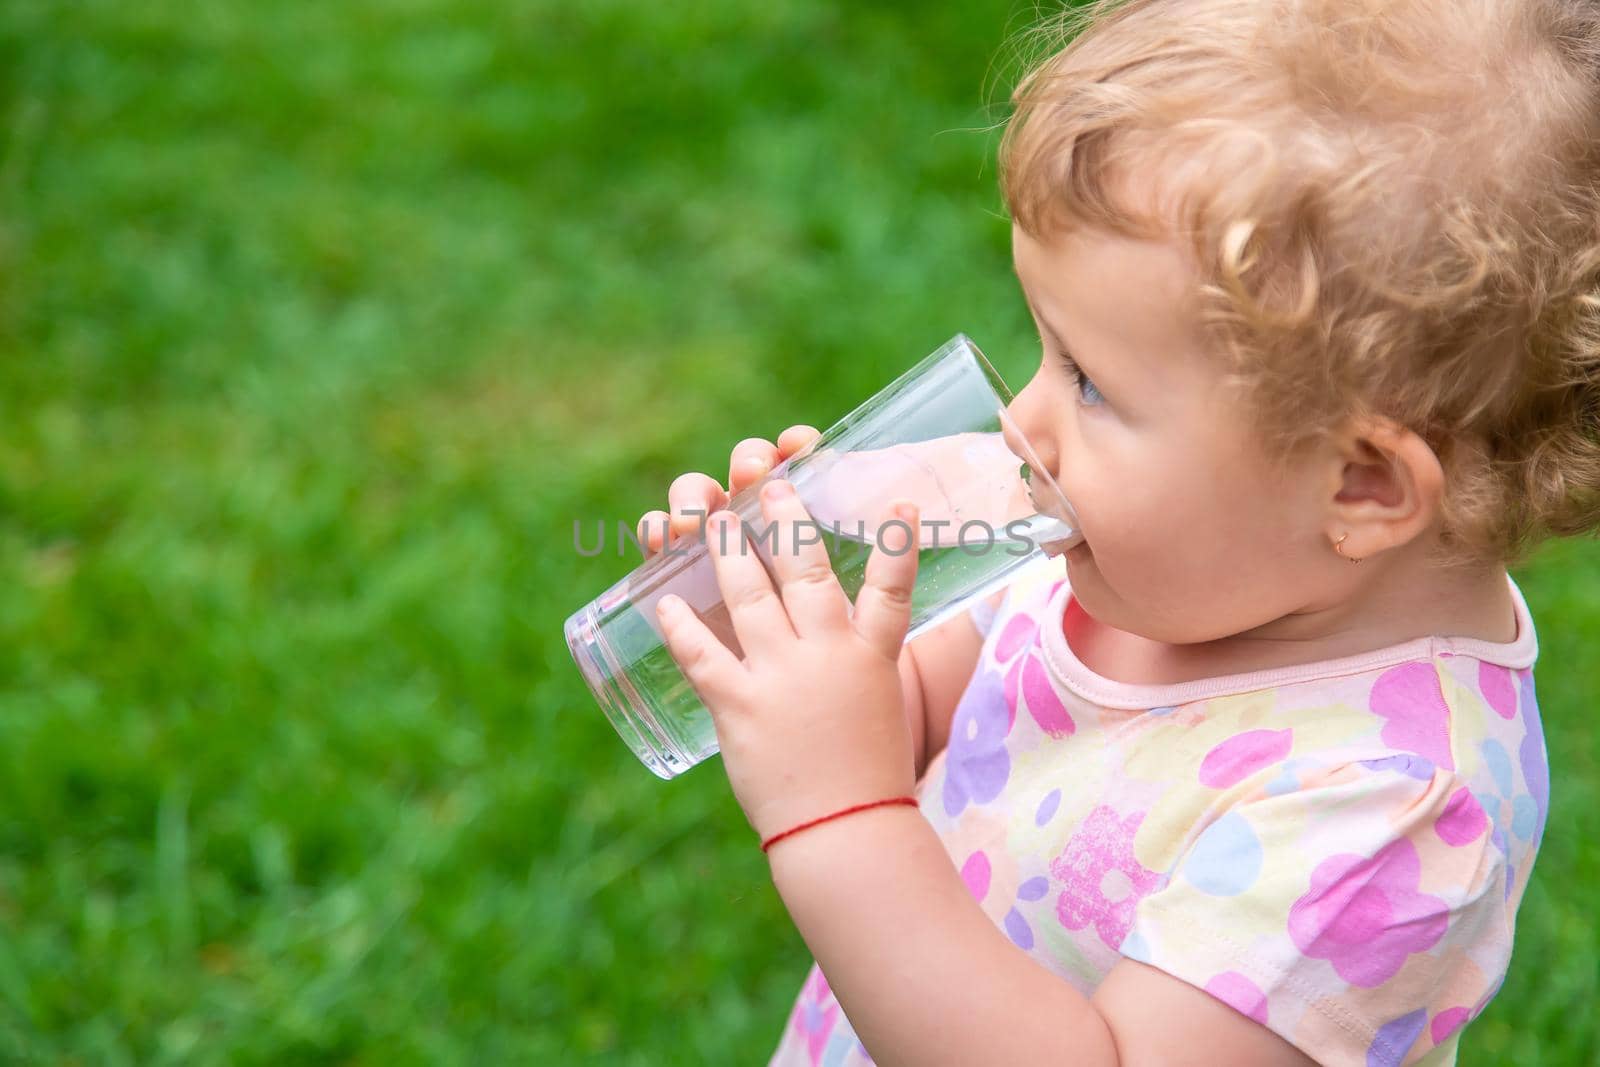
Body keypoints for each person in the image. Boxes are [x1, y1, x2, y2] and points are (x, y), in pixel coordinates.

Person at [633, 0, 1597, 1061]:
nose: (1021, 422)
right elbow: (927, 719)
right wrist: (785, 648)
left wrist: (839, 814)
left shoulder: (1380, 810)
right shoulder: (1144, 562)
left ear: (1358, 484)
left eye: (1089, 382)